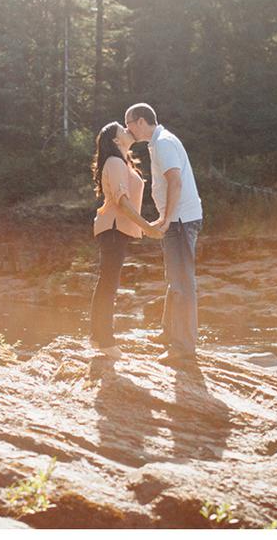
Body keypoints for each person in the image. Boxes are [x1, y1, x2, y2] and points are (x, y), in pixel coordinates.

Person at [124, 102, 203, 365]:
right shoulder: (158, 143)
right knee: (174, 280)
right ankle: (169, 333)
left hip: (180, 221)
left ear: (141, 122)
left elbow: (176, 181)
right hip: (177, 219)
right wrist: (164, 217)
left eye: (129, 124)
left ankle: (183, 348)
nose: (128, 129)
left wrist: (168, 219)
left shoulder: (165, 143)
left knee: (182, 284)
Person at [89, 121, 161, 360]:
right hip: (112, 228)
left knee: (107, 283)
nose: (127, 129)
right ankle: (105, 341)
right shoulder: (115, 162)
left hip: (115, 229)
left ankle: (98, 337)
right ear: (116, 140)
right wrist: (147, 226)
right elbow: (122, 201)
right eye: (123, 129)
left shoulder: (122, 162)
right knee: (108, 284)